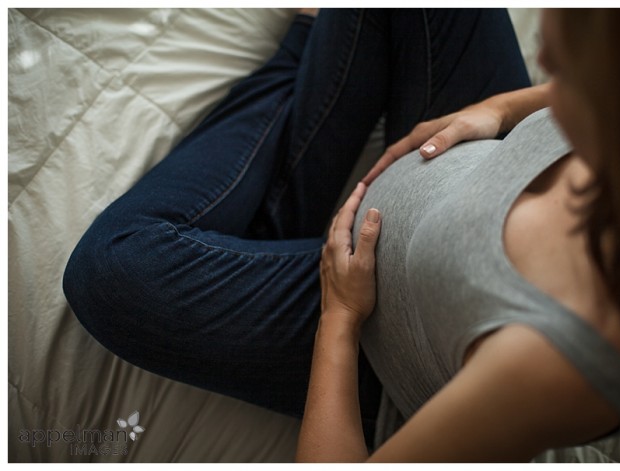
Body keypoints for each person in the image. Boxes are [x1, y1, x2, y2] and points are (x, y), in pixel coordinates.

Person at [62, 8, 533, 450]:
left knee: (115, 269)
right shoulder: (602, 103)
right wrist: (500, 110)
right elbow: (592, 94)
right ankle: (277, 219)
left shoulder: (552, 374)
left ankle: (293, 63)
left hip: (388, 323)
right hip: (483, 156)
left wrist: (340, 317)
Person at [296, 8, 620, 462]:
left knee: (190, 273)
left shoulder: (559, 359)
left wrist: (339, 316)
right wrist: (496, 110)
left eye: (563, 66)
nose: (541, 60)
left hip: (367, 317)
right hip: (470, 155)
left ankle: (293, 73)